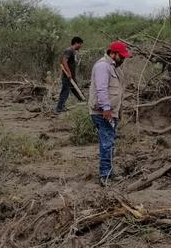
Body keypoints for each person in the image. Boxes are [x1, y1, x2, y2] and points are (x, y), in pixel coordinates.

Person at [88, 40, 131, 184]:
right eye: (121, 56)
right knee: (107, 143)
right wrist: (106, 108)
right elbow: (101, 88)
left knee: (110, 142)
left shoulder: (112, 66)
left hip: (110, 112)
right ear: (113, 53)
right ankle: (105, 175)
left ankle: (109, 172)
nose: (123, 59)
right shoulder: (102, 66)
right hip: (103, 112)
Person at [55, 37, 84, 114]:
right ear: (76, 43)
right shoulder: (69, 50)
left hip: (71, 77)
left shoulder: (72, 51)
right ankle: (59, 108)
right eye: (80, 44)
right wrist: (69, 72)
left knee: (75, 90)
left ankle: (84, 102)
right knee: (65, 92)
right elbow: (64, 61)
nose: (81, 46)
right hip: (67, 76)